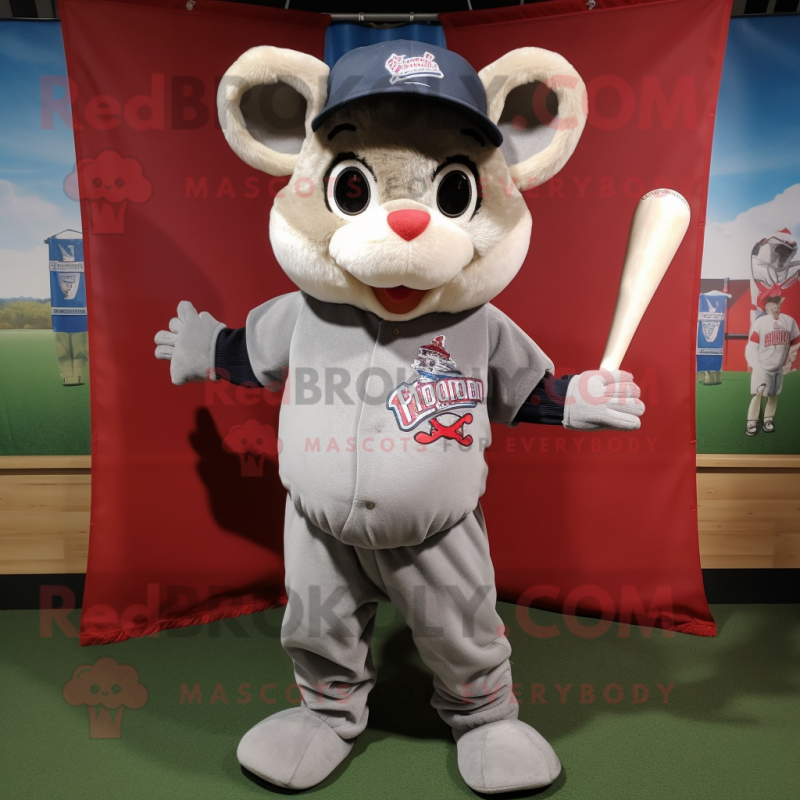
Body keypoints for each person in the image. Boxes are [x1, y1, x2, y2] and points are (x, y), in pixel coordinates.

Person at [745, 294, 799, 435]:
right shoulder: (760, 322)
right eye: (772, 303)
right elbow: (752, 346)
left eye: (777, 302)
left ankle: (768, 420)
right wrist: (755, 364)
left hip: (778, 367)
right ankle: (752, 421)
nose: (775, 306)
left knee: (774, 394)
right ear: (766, 306)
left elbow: (795, 341)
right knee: (759, 392)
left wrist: (790, 360)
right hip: (762, 365)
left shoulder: (789, 321)